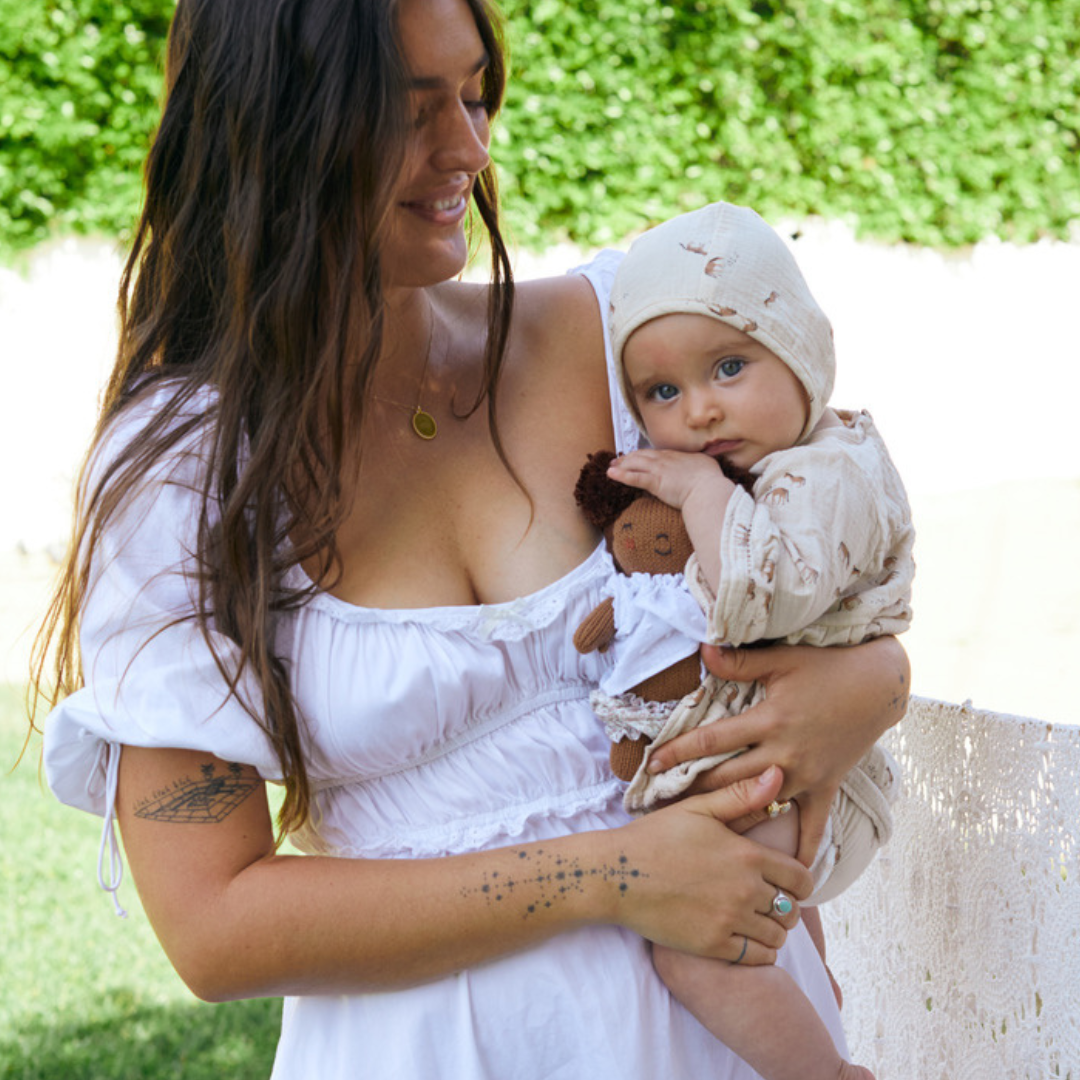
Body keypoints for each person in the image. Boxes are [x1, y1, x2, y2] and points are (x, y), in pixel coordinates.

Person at [30, 1, 910, 1077]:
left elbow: (832, 565)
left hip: (739, 1043)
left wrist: (878, 677)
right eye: (410, 113)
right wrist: (611, 874)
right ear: (275, 129)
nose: (469, 149)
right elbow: (214, 928)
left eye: (476, 92)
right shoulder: (186, 472)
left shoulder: (626, 343)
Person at [585, 201, 915, 1080]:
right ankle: (816, 1005)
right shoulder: (764, 472)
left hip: (818, 787)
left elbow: (758, 599)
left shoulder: (830, 472)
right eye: (661, 393)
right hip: (779, 772)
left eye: (730, 366)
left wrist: (697, 492)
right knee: (765, 932)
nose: (698, 410)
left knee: (689, 947)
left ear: (802, 352)